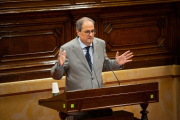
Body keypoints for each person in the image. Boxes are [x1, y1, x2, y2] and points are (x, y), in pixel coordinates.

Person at [51, 17, 133, 119]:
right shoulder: (67, 48)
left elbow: (104, 65)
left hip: (98, 103)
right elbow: (56, 76)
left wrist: (116, 63)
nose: (91, 35)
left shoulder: (100, 44)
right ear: (78, 32)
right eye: (87, 32)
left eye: (93, 31)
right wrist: (60, 66)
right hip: (77, 105)